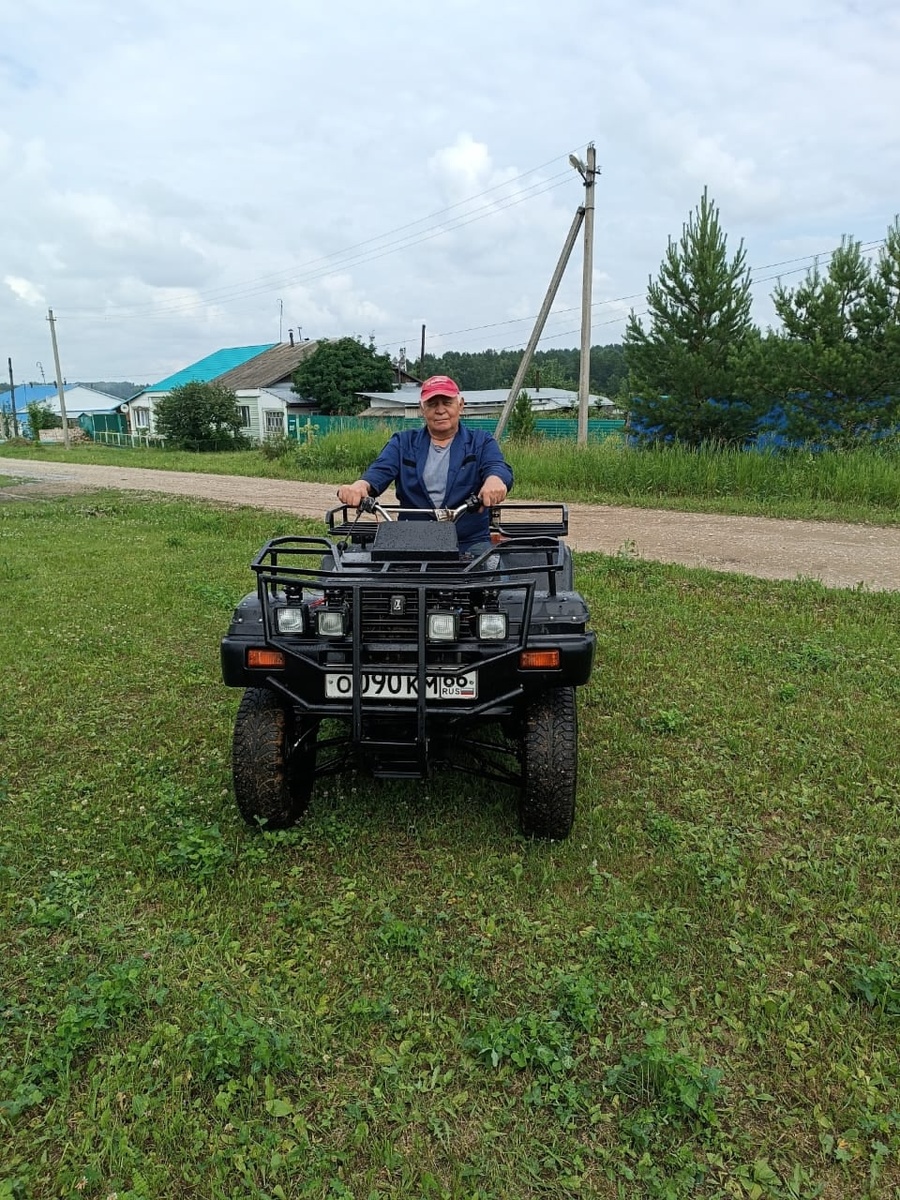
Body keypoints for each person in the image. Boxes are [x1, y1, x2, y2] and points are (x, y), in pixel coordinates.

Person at [336, 375, 513, 552]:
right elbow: (380, 470)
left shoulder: (481, 441)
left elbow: (496, 466)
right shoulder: (402, 442)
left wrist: (495, 480)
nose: (440, 410)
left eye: (447, 403)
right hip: (411, 541)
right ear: (422, 408)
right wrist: (361, 486)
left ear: (460, 405)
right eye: (432, 404)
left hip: (469, 542)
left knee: (493, 568)